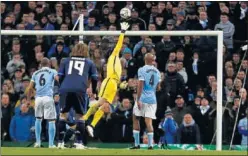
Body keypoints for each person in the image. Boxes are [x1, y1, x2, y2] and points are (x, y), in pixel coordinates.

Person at [83, 22, 130, 137]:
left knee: (105, 107)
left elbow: (116, 80)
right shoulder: (113, 57)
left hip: (112, 84)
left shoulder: (116, 62)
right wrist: (122, 32)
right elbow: (118, 45)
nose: (118, 51)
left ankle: (91, 125)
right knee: (100, 103)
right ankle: (85, 118)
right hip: (109, 82)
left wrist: (121, 85)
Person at [57, 42, 98, 149]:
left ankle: (60, 142)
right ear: (86, 51)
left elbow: (60, 76)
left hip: (65, 89)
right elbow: (94, 78)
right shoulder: (89, 62)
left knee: (63, 115)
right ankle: (78, 142)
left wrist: (62, 87)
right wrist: (93, 91)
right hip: (80, 89)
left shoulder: (65, 61)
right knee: (80, 116)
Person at [26, 58, 59, 148]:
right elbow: (58, 79)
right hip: (48, 97)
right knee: (51, 120)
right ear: (49, 64)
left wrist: (28, 100)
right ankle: (51, 144)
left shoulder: (35, 73)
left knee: (38, 119)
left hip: (38, 98)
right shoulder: (53, 71)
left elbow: (29, 88)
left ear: (41, 64)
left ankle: (37, 142)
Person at [131, 53, 161, 149]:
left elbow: (140, 85)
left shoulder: (142, 70)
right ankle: (150, 145)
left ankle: (136, 145)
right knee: (149, 122)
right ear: (152, 61)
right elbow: (158, 88)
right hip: (152, 99)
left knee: (136, 119)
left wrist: (138, 99)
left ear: (145, 59)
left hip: (142, 98)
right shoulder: (157, 71)